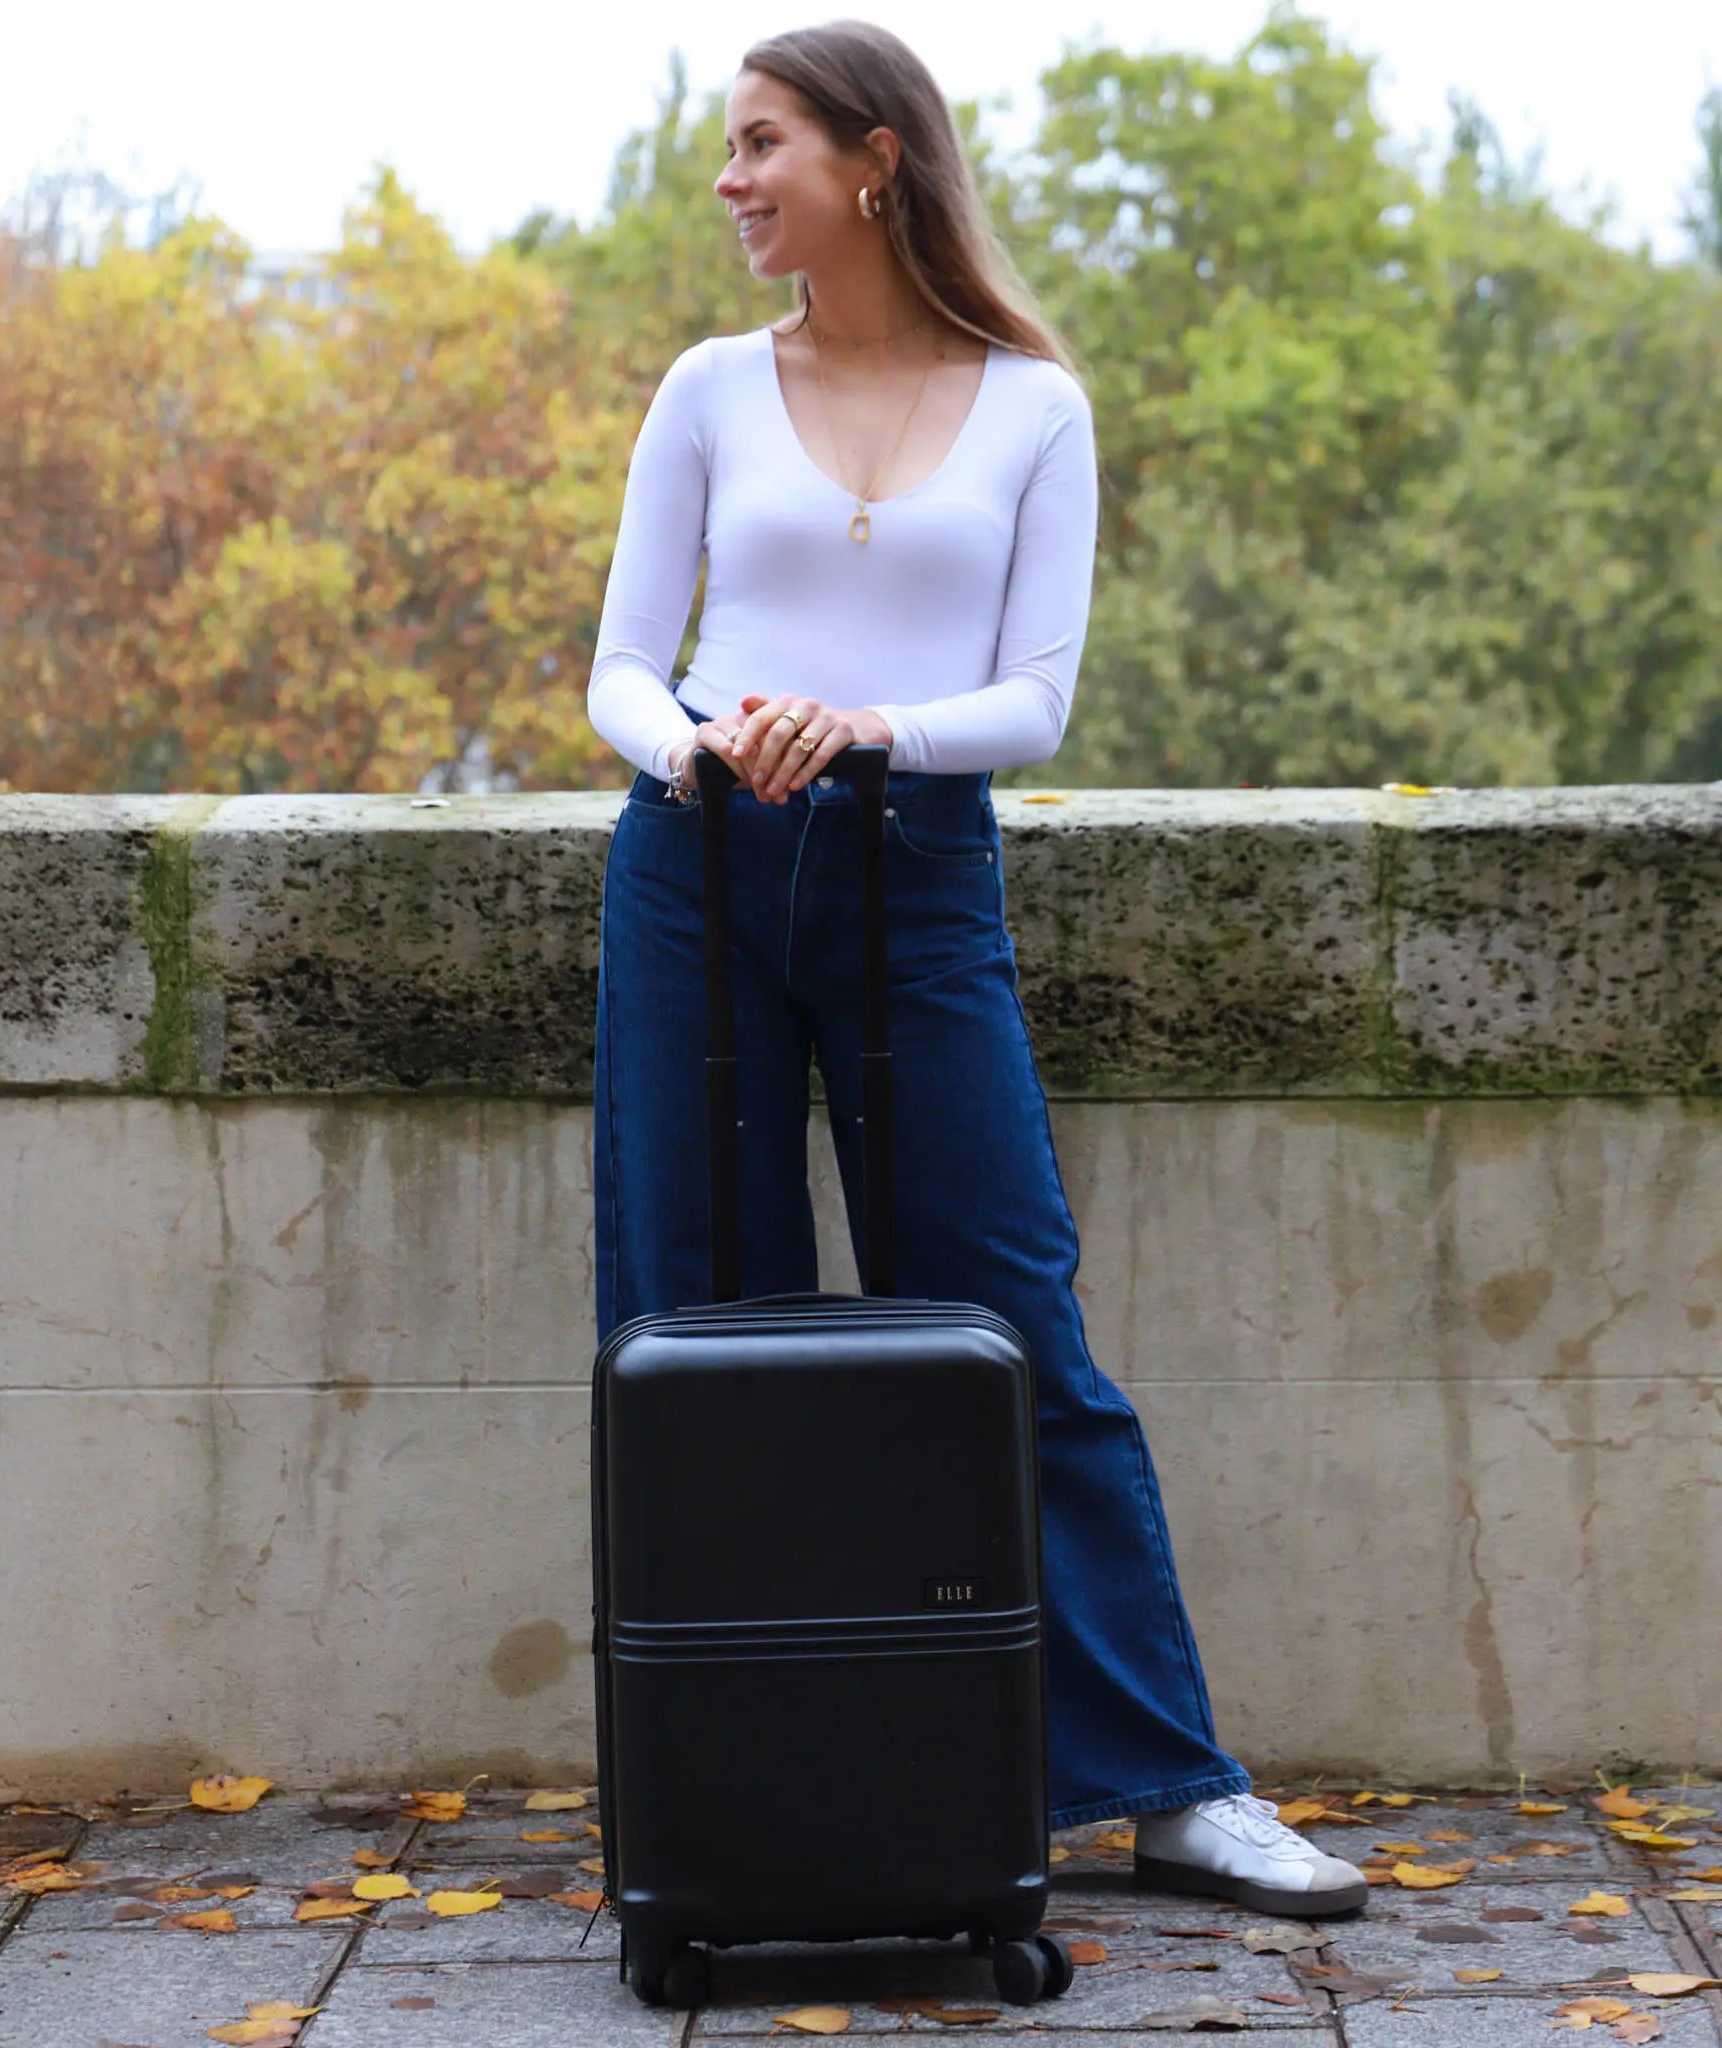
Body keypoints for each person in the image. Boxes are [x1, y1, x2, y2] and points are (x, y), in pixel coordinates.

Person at [584, 19, 1367, 1921]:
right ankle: (727, 1778)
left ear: (872, 157)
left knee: (1018, 1328)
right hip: (695, 871)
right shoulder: (706, 386)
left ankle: (1173, 1786)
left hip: (918, 878)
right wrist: (696, 744)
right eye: (727, 148)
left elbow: (1034, 699)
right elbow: (616, 665)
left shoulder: (1034, 405)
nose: (729, 179)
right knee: (692, 1318)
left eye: (759, 143)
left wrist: (862, 726)